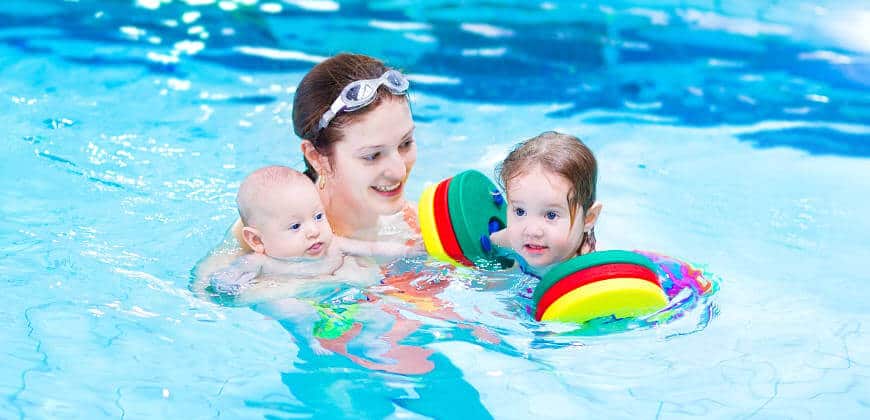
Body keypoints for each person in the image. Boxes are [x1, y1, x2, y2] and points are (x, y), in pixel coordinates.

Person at [209, 165, 419, 296]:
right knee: (289, 308)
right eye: (295, 226)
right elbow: (223, 282)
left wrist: (408, 251)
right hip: (302, 301)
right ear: (257, 240)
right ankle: (309, 338)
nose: (313, 231)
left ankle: (371, 340)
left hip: (345, 298)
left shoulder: (335, 245)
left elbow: (372, 249)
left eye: (318, 217)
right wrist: (226, 283)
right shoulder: (260, 261)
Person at [491, 131, 603, 274]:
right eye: (520, 211)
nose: (532, 231)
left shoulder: (587, 271)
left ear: (588, 218)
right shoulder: (512, 238)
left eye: (551, 215)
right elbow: (485, 247)